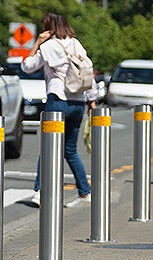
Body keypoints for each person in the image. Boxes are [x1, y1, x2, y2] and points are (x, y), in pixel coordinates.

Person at [22, 12, 98, 208]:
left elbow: (27, 67)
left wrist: (37, 43)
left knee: (48, 148)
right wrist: (92, 101)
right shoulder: (76, 44)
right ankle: (85, 191)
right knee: (70, 150)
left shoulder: (48, 47)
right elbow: (88, 71)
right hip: (78, 103)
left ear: (49, 27)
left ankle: (40, 191)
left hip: (58, 101)